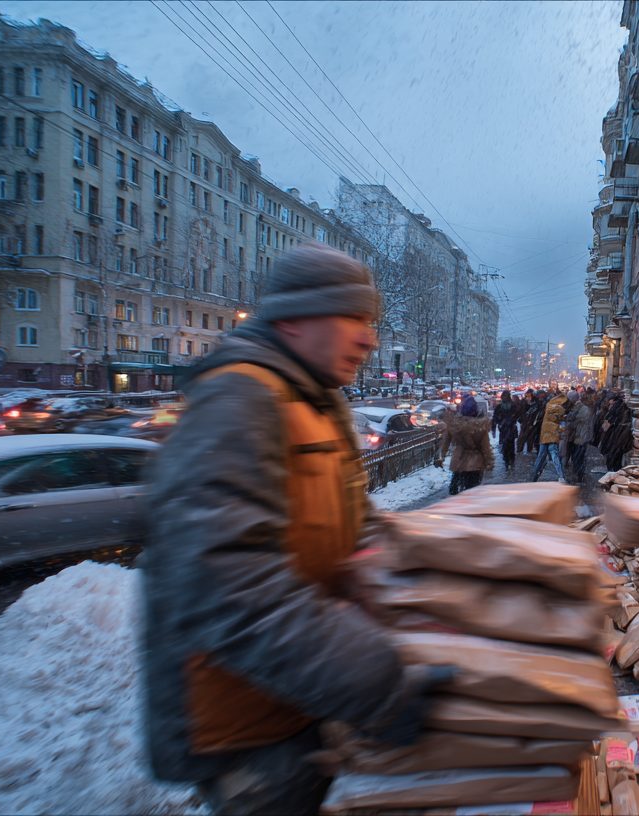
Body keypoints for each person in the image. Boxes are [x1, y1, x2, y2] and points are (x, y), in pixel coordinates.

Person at [142, 245, 454, 815]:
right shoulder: (239, 399)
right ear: (293, 319)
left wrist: (410, 588)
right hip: (249, 733)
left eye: (372, 322)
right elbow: (227, 590)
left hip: (303, 699)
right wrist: (377, 683)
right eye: (354, 320)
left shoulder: (314, 399)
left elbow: (350, 529)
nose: (370, 339)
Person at [443, 390, 494, 494]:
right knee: (472, 492)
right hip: (475, 464)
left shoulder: (455, 425)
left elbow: (445, 442)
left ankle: (454, 506)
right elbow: (485, 447)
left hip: (458, 461)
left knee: (454, 491)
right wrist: (489, 462)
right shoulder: (480, 427)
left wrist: (440, 456)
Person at [529, 387, 567, 483]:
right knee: (555, 456)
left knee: (541, 457)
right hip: (552, 435)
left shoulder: (547, 406)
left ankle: (534, 477)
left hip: (544, 435)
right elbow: (558, 422)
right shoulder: (557, 408)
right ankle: (561, 476)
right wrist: (561, 427)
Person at [562, 389, 595, 484]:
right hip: (575, 437)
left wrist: (568, 420)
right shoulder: (576, 407)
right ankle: (577, 476)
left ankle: (579, 477)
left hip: (581, 438)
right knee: (575, 457)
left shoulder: (583, 409)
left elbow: (576, 421)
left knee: (578, 458)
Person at [598, 391, 633, 472]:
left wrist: (605, 426)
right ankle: (615, 471)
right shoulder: (623, 407)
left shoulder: (616, 407)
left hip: (616, 434)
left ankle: (612, 472)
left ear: (612, 399)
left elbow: (609, 421)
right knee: (617, 455)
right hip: (620, 434)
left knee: (613, 455)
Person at [491, 390, 519, 470]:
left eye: (506, 396)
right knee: (505, 446)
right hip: (503, 429)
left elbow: (517, 415)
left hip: (511, 429)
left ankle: (511, 461)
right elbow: (495, 418)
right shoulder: (499, 407)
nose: (504, 398)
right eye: (503, 396)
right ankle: (507, 462)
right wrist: (494, 429)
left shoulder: (513, 406)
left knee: (511, 446)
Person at [518, 388, 541, 455]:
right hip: (525, 422)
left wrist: (534, 423)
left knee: (530, 438)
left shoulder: (537, 403)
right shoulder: (523, 401)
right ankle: (520, 451)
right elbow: (521, 411)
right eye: (527, 394)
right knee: (521, 438)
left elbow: (537, 413)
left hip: (533, 423)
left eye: (529, 394)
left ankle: (529, 451)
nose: (528, 396)